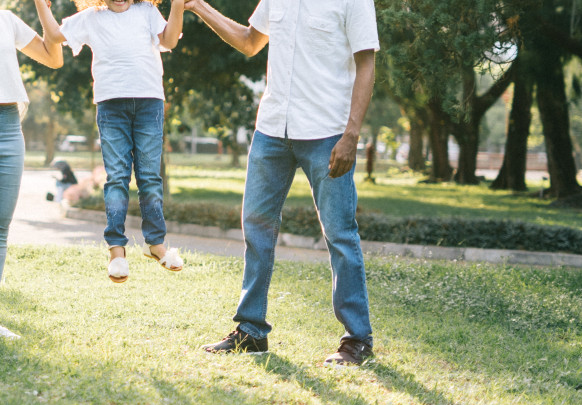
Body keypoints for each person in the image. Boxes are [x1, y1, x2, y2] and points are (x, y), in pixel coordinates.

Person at [187, 0, 379, 367]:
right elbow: (249, 41)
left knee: (340, 232)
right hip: (272, 130)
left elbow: (366, 62)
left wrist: (352, 133)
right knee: (256, 227)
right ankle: (251, 331)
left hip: (327, 132)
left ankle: (357, 340)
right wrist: (197, 6)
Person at [34, 0, 185, 283]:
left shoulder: (147, 12)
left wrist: (178, 5)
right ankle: (117, 251)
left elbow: (170, 40)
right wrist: (41, 5)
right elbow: (54, 36)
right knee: (117, 177)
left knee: (150, 177)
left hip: (149, 103)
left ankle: (156, 244)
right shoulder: (91, 17)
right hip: (111, 105)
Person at [0, 6, 62, 284]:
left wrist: (43, 9)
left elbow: (53, 57)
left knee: (1, 228)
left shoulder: (6, 19)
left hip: (9, 125)